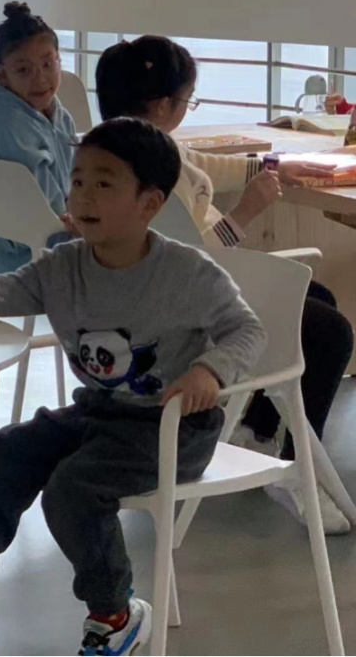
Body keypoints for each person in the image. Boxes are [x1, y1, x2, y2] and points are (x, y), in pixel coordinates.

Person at [0, 118, 266, 655]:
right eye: (77, 180)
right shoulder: (64, 266)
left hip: (173, 428)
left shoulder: (187, 272)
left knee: (73, 491)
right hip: (98, 412)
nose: (83, 195)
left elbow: (248, 330)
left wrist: (209, 371)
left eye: (104, 183)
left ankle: (116, 615)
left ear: (149, 204)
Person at [96, 35, 355, 535]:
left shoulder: (126, 147)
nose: (186, 110)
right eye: (187, 101)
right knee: (332, 333)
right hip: (196, 306)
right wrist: (247, 211)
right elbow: (195, 262)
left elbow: (198, 164)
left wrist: (273, 165)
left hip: (173, 295)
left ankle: (257, 430)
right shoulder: (151, 174)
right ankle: (295, 467)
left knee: (317, 300)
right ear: (161, 105)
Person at [0, 1, 77, 274]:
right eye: (24, 70)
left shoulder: (56, 112)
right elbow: (36, 203)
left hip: (50, 232)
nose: (41, 79)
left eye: (48, 64)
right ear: (3, 74)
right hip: (20, 250)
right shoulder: (4, 123)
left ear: (59, 60)